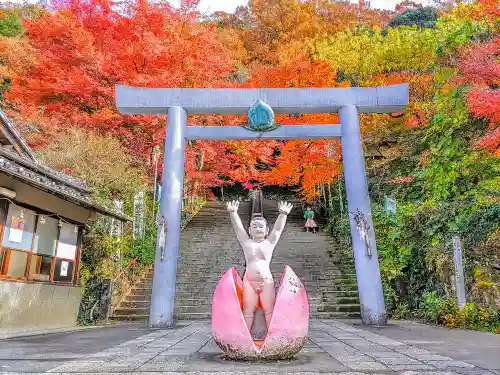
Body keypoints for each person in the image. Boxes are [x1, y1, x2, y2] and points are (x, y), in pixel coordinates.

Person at [226, 200, 293, 331]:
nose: (258, 228)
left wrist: (283, 215)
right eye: (254, 226)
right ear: (249, 230)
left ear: (266, 230)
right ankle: (245, 338)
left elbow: (277, 230)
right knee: (247, 311)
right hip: (249, 281)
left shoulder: (269, 243)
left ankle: (272, 337)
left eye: (261, 226)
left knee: (269, 310)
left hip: (266, 281)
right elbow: (238, 230)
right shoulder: (246, 243)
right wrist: (233, 213)